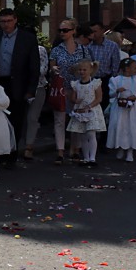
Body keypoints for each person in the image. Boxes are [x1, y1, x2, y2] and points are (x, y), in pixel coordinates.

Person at [0, 8, 40, 166]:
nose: (6, 24)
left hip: (18, 85)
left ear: (15, 20)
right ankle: (0, 153)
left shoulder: (27, 38)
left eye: (9, 21)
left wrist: (31, 90)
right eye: (3, 21)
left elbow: (34, 66)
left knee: (15, 121)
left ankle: (12, 154)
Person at [48, 19, 91, 164]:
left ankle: (75, 149)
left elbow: (90, 69)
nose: (62, 33)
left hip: (78, 89)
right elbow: (51, 67)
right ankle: (60, 151)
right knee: (59, 120)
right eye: (60, 30)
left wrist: (80, 73)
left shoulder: (83, 49)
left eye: (65, 30)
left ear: (73, 31)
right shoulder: (56, 50)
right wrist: (53, 70)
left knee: (76, 119)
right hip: (61, 89)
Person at [66, 60, 106, 168]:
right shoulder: (76, 84)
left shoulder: (95, 83)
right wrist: (75, 100)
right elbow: (73, 97)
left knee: (91, 134)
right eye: (80, 70)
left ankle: (92, 158)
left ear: (90, 70)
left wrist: (90, 106)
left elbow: (99, 98)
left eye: (84, 70)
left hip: (92, 111)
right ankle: (86, 158)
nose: (82, 72)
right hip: (80, 111)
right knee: (83, 135)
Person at [107, 59, 136, 162]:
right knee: (120, 126)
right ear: (127, 69)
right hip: (120, 107)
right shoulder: (116, 80)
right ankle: (120, 147)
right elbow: (111, 94)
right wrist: (117, 91)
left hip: (133, 108)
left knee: (132, 127)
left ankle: (130, 151)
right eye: (135, 67)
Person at [23, 39, 49, 160]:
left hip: (38, 87)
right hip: (20, 87)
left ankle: (29, 147)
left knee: (32, 118)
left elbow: (43, 70)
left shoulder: (40, 50)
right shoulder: (18, 49)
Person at [87, 21, 120, 113]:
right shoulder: (87, 46)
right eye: (91, 32)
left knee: (104, 105)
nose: (93, 34)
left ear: (102, 31)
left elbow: (115, 65)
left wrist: (113, 81)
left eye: (95, 31)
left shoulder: (112, 46)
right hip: (91, 80)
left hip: (106, 80)